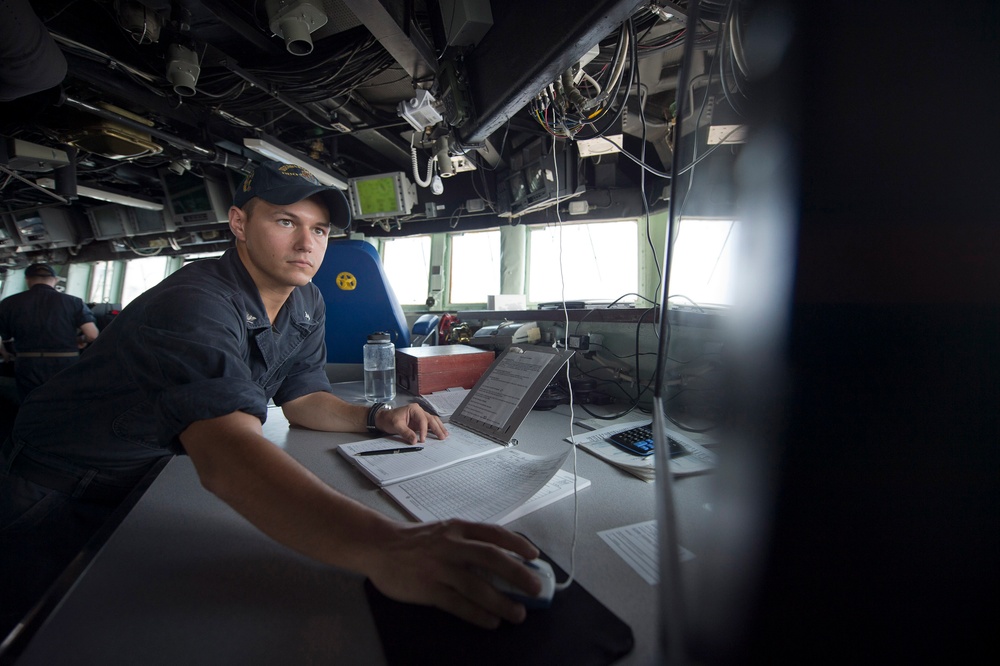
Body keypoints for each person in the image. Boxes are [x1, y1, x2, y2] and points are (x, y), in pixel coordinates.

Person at [0, 162, 541, 637]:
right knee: (42, 629)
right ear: (239, 224)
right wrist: (387, 547)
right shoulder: (195, 302)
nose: (307, 244)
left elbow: (304, 397)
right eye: (286, 222)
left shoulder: (305, 299)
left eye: (320, 229)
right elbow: (226, 457)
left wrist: (377, 416)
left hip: (144, 473)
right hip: (56, 485)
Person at [0, 263, 99, 401]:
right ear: (55, 279)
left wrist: (4, 353)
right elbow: (92, 334)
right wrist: (80, 341)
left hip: (27, 363)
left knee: (30, 405)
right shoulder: (74, 302)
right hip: (65, 362)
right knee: (62, 405)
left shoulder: (9, 302)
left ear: (27, 279)